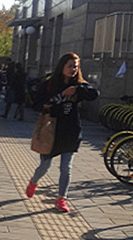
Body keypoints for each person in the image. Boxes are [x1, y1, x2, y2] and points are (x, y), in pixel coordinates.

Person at [25, 52, 99, 212]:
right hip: (51, 129)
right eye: (70, 66)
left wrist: (77, 88)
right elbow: (35, 103)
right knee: (45, 166)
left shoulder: (79, 85)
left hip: (71, 130)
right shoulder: (50, 84)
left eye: (76, 67)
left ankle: (61, 198)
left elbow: (94, 94)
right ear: (62, 67)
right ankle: (34, 181)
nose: (73, 69)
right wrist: (47, 105)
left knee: (66, 167)